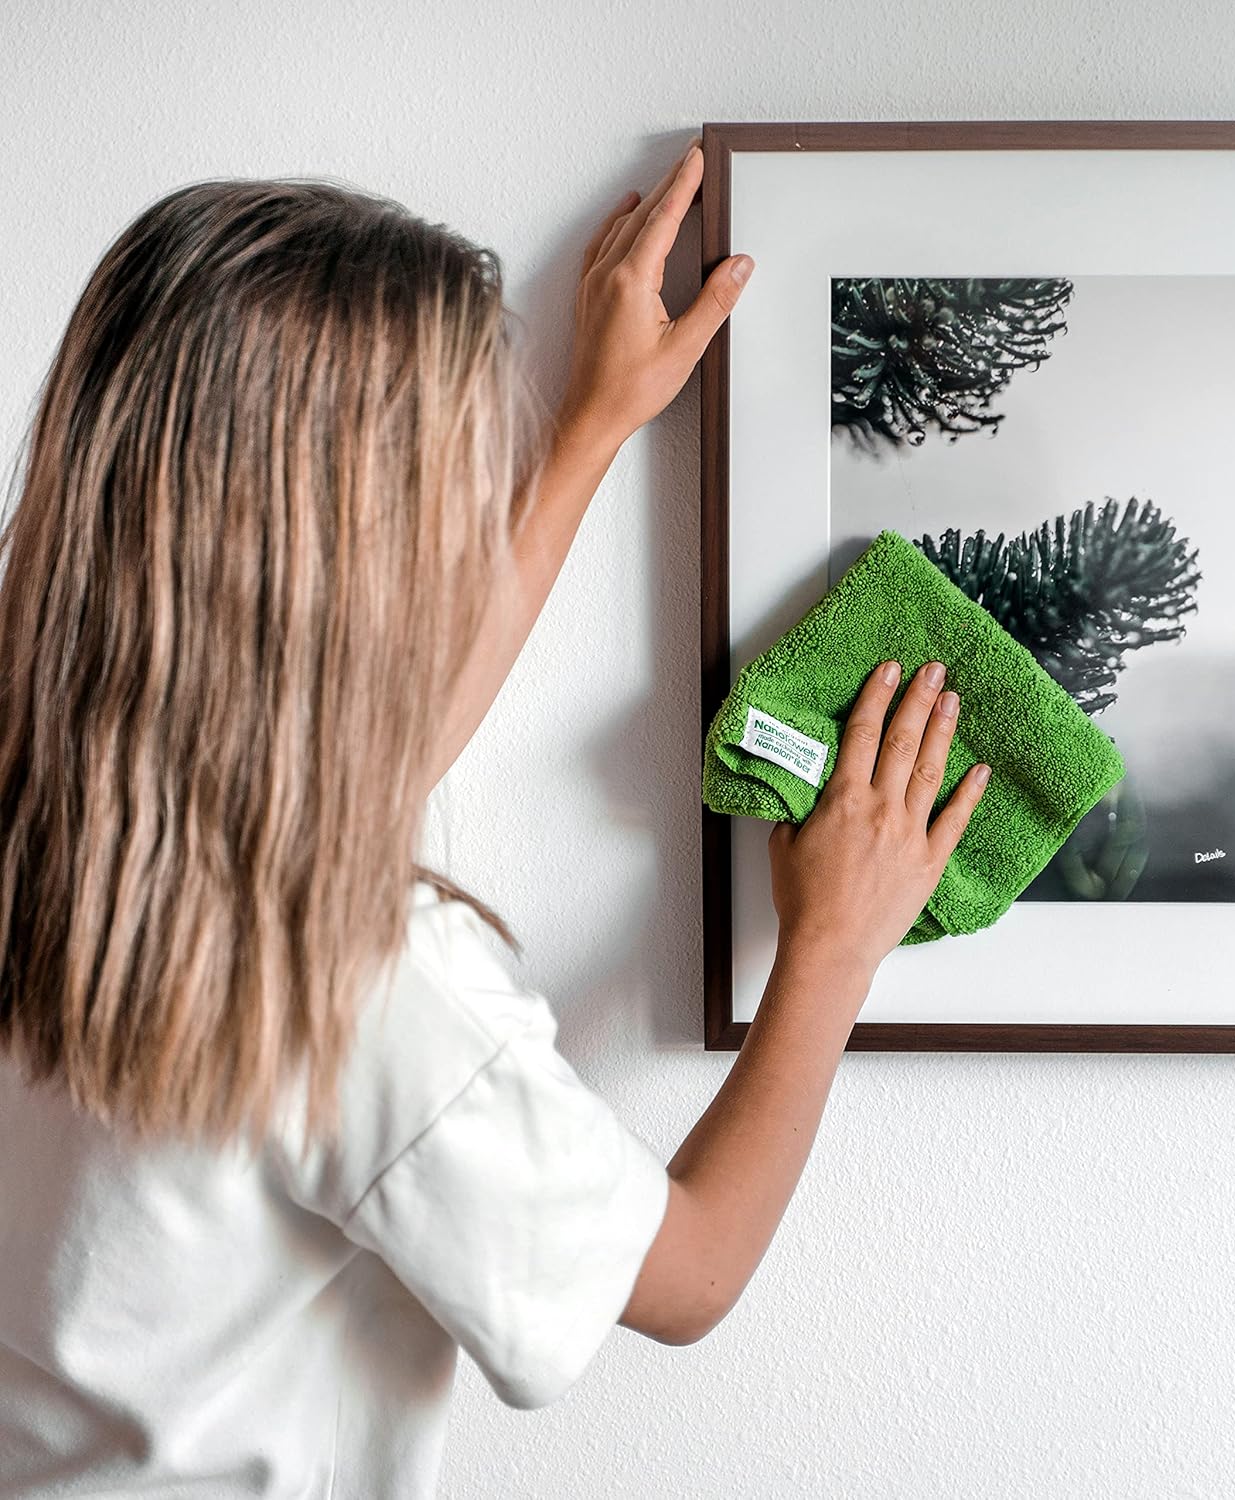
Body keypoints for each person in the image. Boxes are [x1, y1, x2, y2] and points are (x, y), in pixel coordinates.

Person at [0, 137, 989, 1497]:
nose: (472, 532)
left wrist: (588, 431)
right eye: (456, 497)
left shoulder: (71, 817)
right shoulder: (357, 984)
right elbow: (692, 1274)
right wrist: (831, 946)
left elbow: (345, 768)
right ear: (359, 572)